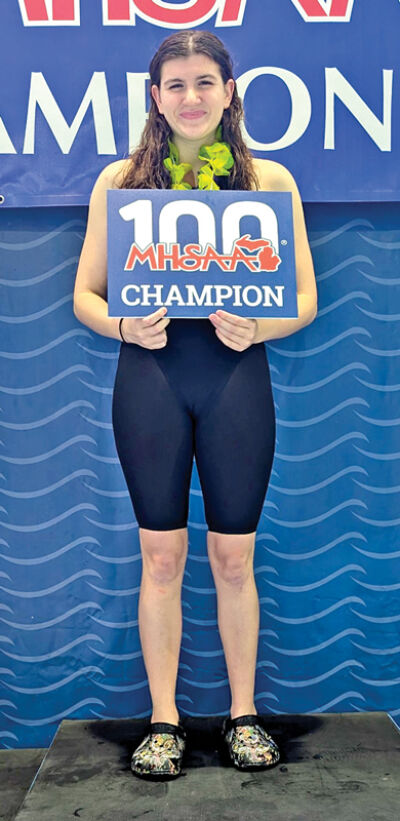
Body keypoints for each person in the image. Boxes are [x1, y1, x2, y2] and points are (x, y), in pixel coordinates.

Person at [73, 29, 317, 780]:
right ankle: (165, 721)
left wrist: (260, 326)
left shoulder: (269, 181)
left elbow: (306, 298)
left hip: (236, 379)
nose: (190, 97)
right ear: (155, 97)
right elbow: (83, 293)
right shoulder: (121, 180)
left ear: (229, 90)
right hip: (149, 377)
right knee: (160, 553)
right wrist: (121, 323)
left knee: (234, 555)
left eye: (204, 82)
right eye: (175, 84)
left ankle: (243, 715)